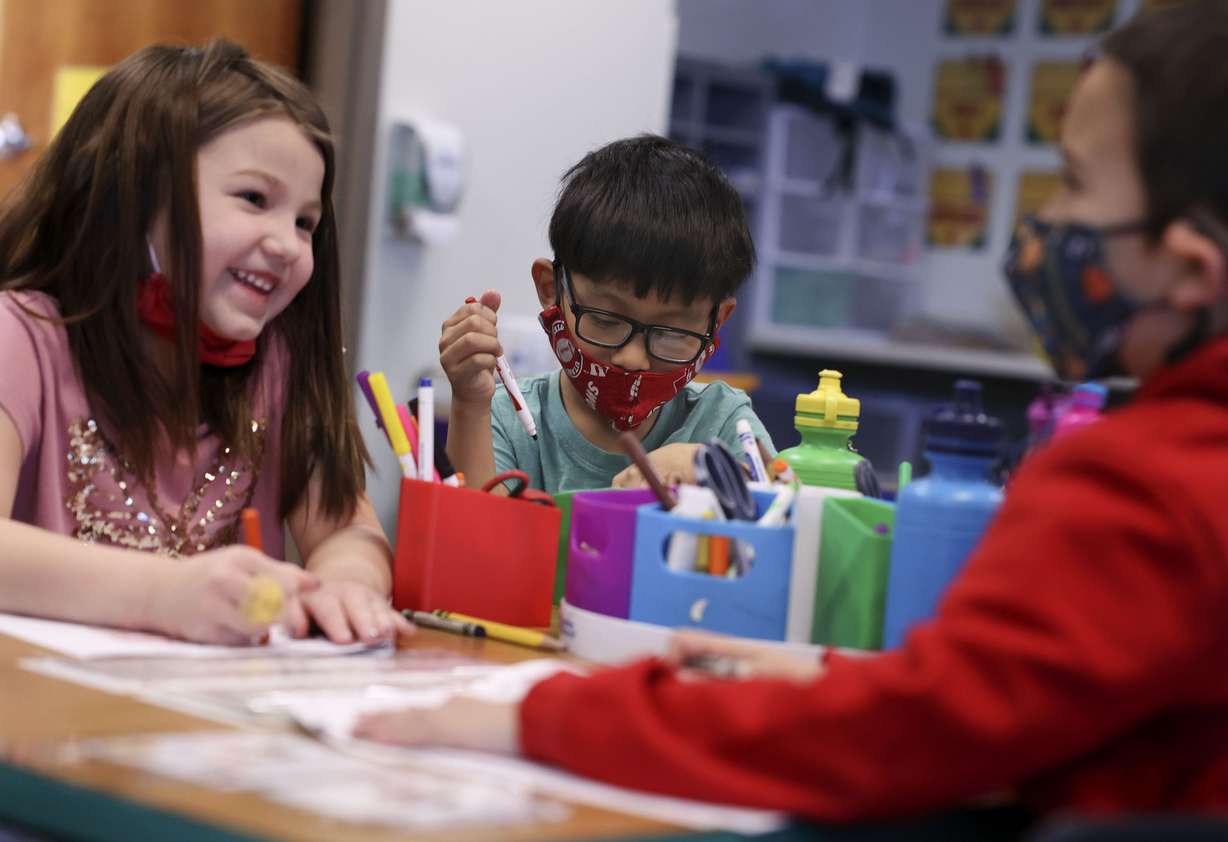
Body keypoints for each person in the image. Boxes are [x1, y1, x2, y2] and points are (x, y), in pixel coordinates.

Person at [356, 1, 1228, 820]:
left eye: (1073, 183)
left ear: (1190, 269)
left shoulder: (1149, 485)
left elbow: (913, 729)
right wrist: (824, 675)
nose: (1048, 220)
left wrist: (538, 723)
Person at [0, 41, 411, 646]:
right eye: (254, 199)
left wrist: (345, 585)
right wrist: (162, 593)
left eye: (305, 222)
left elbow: (347, 531)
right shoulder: (24, 335)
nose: (290, 246)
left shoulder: (277, 366)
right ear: (134, 191)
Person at [439, 135, 773, 494]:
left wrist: (706, 468)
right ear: (552, 289)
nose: (633, 359)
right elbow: (472, 541)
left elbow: (785, 509)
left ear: (716, 320)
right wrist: (470, 406)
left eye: (672, 333)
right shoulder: (507, 419)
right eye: (605, 319)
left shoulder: (722, 422)